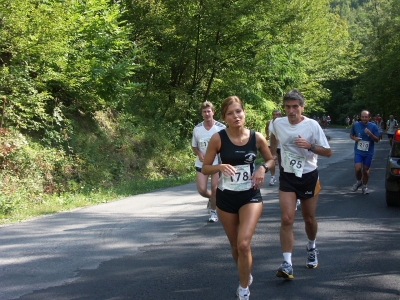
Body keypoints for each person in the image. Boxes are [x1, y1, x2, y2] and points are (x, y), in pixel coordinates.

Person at [202, 96, 275, 300]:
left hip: (250, 195)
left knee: (243, 244)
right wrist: (219, 166)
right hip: (226, 198)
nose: (236, 116)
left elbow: (271, 160)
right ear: (224, 117)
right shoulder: (218, 138)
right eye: (231, 113)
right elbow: (205, 167)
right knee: (235, 246)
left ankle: (243, 289)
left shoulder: (256, 137)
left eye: (239, 111)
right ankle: (245, 272)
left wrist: (262, 168)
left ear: (244, 113)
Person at [270, 89, 332, 279]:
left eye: (295, 106)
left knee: (308, 218)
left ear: (302, 107)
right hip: (288, 176)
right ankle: (287, 263)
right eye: (288, 107)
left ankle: (311, 246)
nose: (291, 111)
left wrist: (309, 146)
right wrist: (272, 155)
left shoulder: (312, 126)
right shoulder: (277, 123)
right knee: (287, 219)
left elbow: (328, 152)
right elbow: (273, 137)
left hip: (308, 176)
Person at [191, 101, 226, 222]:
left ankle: (213, 212)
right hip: (201, 163)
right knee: (201, 190)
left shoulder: (221, 128)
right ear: (202, 113)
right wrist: (199, 153)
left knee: (215, 188)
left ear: (213, 112)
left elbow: (226, 145)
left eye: (208, 111)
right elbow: (194, 146)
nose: (206, 114)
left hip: (216, 162)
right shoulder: (197, 129)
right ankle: (213, 199)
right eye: (204, 112)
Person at [350, 110, 380, 194]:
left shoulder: (373, 126)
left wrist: (370, 134)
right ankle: (359, 181)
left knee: (366, 171)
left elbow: (377, 140)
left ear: (369, 118)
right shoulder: (356, 125)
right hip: (358, 151)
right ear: (360, 117)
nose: (364, 118)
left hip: (368, 152)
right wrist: (354, 138)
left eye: (366, 117)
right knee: (358, 168)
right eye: (363, 117)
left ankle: (364, 186)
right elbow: (351, 135)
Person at [265, 109, 281, 186]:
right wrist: (267, 135)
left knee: (281, 163)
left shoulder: (283, 123)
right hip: (271, 143)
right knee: (271, 160)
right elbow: (266, 128)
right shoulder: (269, 122)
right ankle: (273, 176)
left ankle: (282, 176)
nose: (275, 116)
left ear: (280, 115)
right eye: (274, 115)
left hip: (281, 145)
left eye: (277, 115)